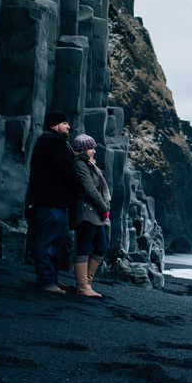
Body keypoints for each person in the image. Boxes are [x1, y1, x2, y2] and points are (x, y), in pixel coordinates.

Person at [26, 111, 80, 294]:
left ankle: (51, 279)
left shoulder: (51, 141)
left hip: (50, 201)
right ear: (54, 125)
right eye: (65, 123)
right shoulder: (52, 142)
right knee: (47, 242)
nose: (69, 127)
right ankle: (46, 281)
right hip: (48, 201)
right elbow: (66, 170)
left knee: (52, 242)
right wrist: (80, 189)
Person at [69, 134, 111, 298]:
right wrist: (103, 208)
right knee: (84, 248)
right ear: (83, 149)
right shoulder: (80, 164)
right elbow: (89, 189)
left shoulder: (87, 164)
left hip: (93, 213)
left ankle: (86, 284)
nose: (94, 151)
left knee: (101, 247)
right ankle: (82, 286)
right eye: (91, 148)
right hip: (86, 212)